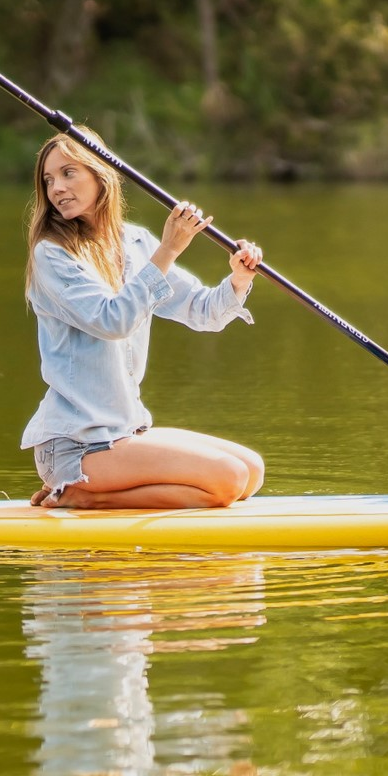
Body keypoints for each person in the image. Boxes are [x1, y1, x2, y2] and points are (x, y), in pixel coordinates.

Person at [22, 132, 265, 510]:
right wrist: (168, 249)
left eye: (68, 173)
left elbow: (202, 310)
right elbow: (112, 320)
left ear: (101, 174)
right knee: (228, 479)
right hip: (77, 445)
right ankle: (83, 496)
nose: (57, 188)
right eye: (49, 180)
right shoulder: (51, 254)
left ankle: (95, 493)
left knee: (251, 471)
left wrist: (239, 278)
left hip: (124, 433)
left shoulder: (134, 243)